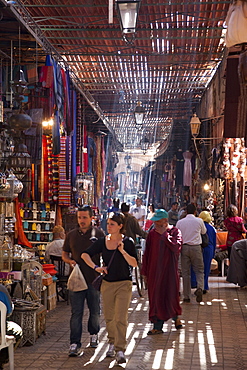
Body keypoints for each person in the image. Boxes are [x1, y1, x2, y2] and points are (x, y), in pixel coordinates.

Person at [81, 212, 137, 365]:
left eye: (112, 224)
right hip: (107, 284)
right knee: (109, 317)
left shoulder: (128, 242)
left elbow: (134, 263)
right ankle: (112, 342)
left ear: (120, 226)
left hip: (124, 284)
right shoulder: (102, 241)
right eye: (108, 223)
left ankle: (120, 349)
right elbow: (85, 255)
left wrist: (123, 251)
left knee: (121, 318)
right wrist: (96, 267)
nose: (109, 226)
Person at [62, 205, 105, 357]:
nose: (81, 220)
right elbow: (64, 253)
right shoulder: (71, 234)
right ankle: (74, 343)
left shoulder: (98, 233)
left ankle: (94, 334)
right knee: (76, 313)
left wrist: (102, 269)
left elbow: (104, 255)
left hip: (93, 279)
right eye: (79, 217)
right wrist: (70, 261)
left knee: (94, 311)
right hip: (76, 279)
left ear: (91, 217)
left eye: (84, 217)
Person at [141, 209, 183, 334]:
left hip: (169, 271)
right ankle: (157, 327)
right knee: (156, 297)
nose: (156, 226)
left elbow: (176, 248)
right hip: (154, 272)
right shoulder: (152, 234)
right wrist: (145, 272)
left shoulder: (175, 232)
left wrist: (165, 235)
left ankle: (176, 318)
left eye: (158, 223)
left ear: (165, 222)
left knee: (170, 295)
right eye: (155, 223)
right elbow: (147, 253)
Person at [176, 203, 207, 303]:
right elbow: (203, 232)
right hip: (196, 247)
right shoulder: (199, 221)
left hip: (184, 248)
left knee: (185, 273)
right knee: (199, 270)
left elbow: (177, 234)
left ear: (185, 211)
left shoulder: (180, 222)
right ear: (195, 212)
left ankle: (186, 296)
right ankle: (200, 288)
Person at [191, 211, 216, 293]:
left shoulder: (197, 226)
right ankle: (204, 286)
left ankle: (195, 284)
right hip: (209, 249)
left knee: (196, 267)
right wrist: (213, 253)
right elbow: (214, 242)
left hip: (199, 248)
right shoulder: (212, 228)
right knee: (206, 268)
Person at [0, 284, 22, 370]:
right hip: (1, 331)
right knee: (17, 331)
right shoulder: (1, 289)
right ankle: (1, 360)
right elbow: (9, 312)